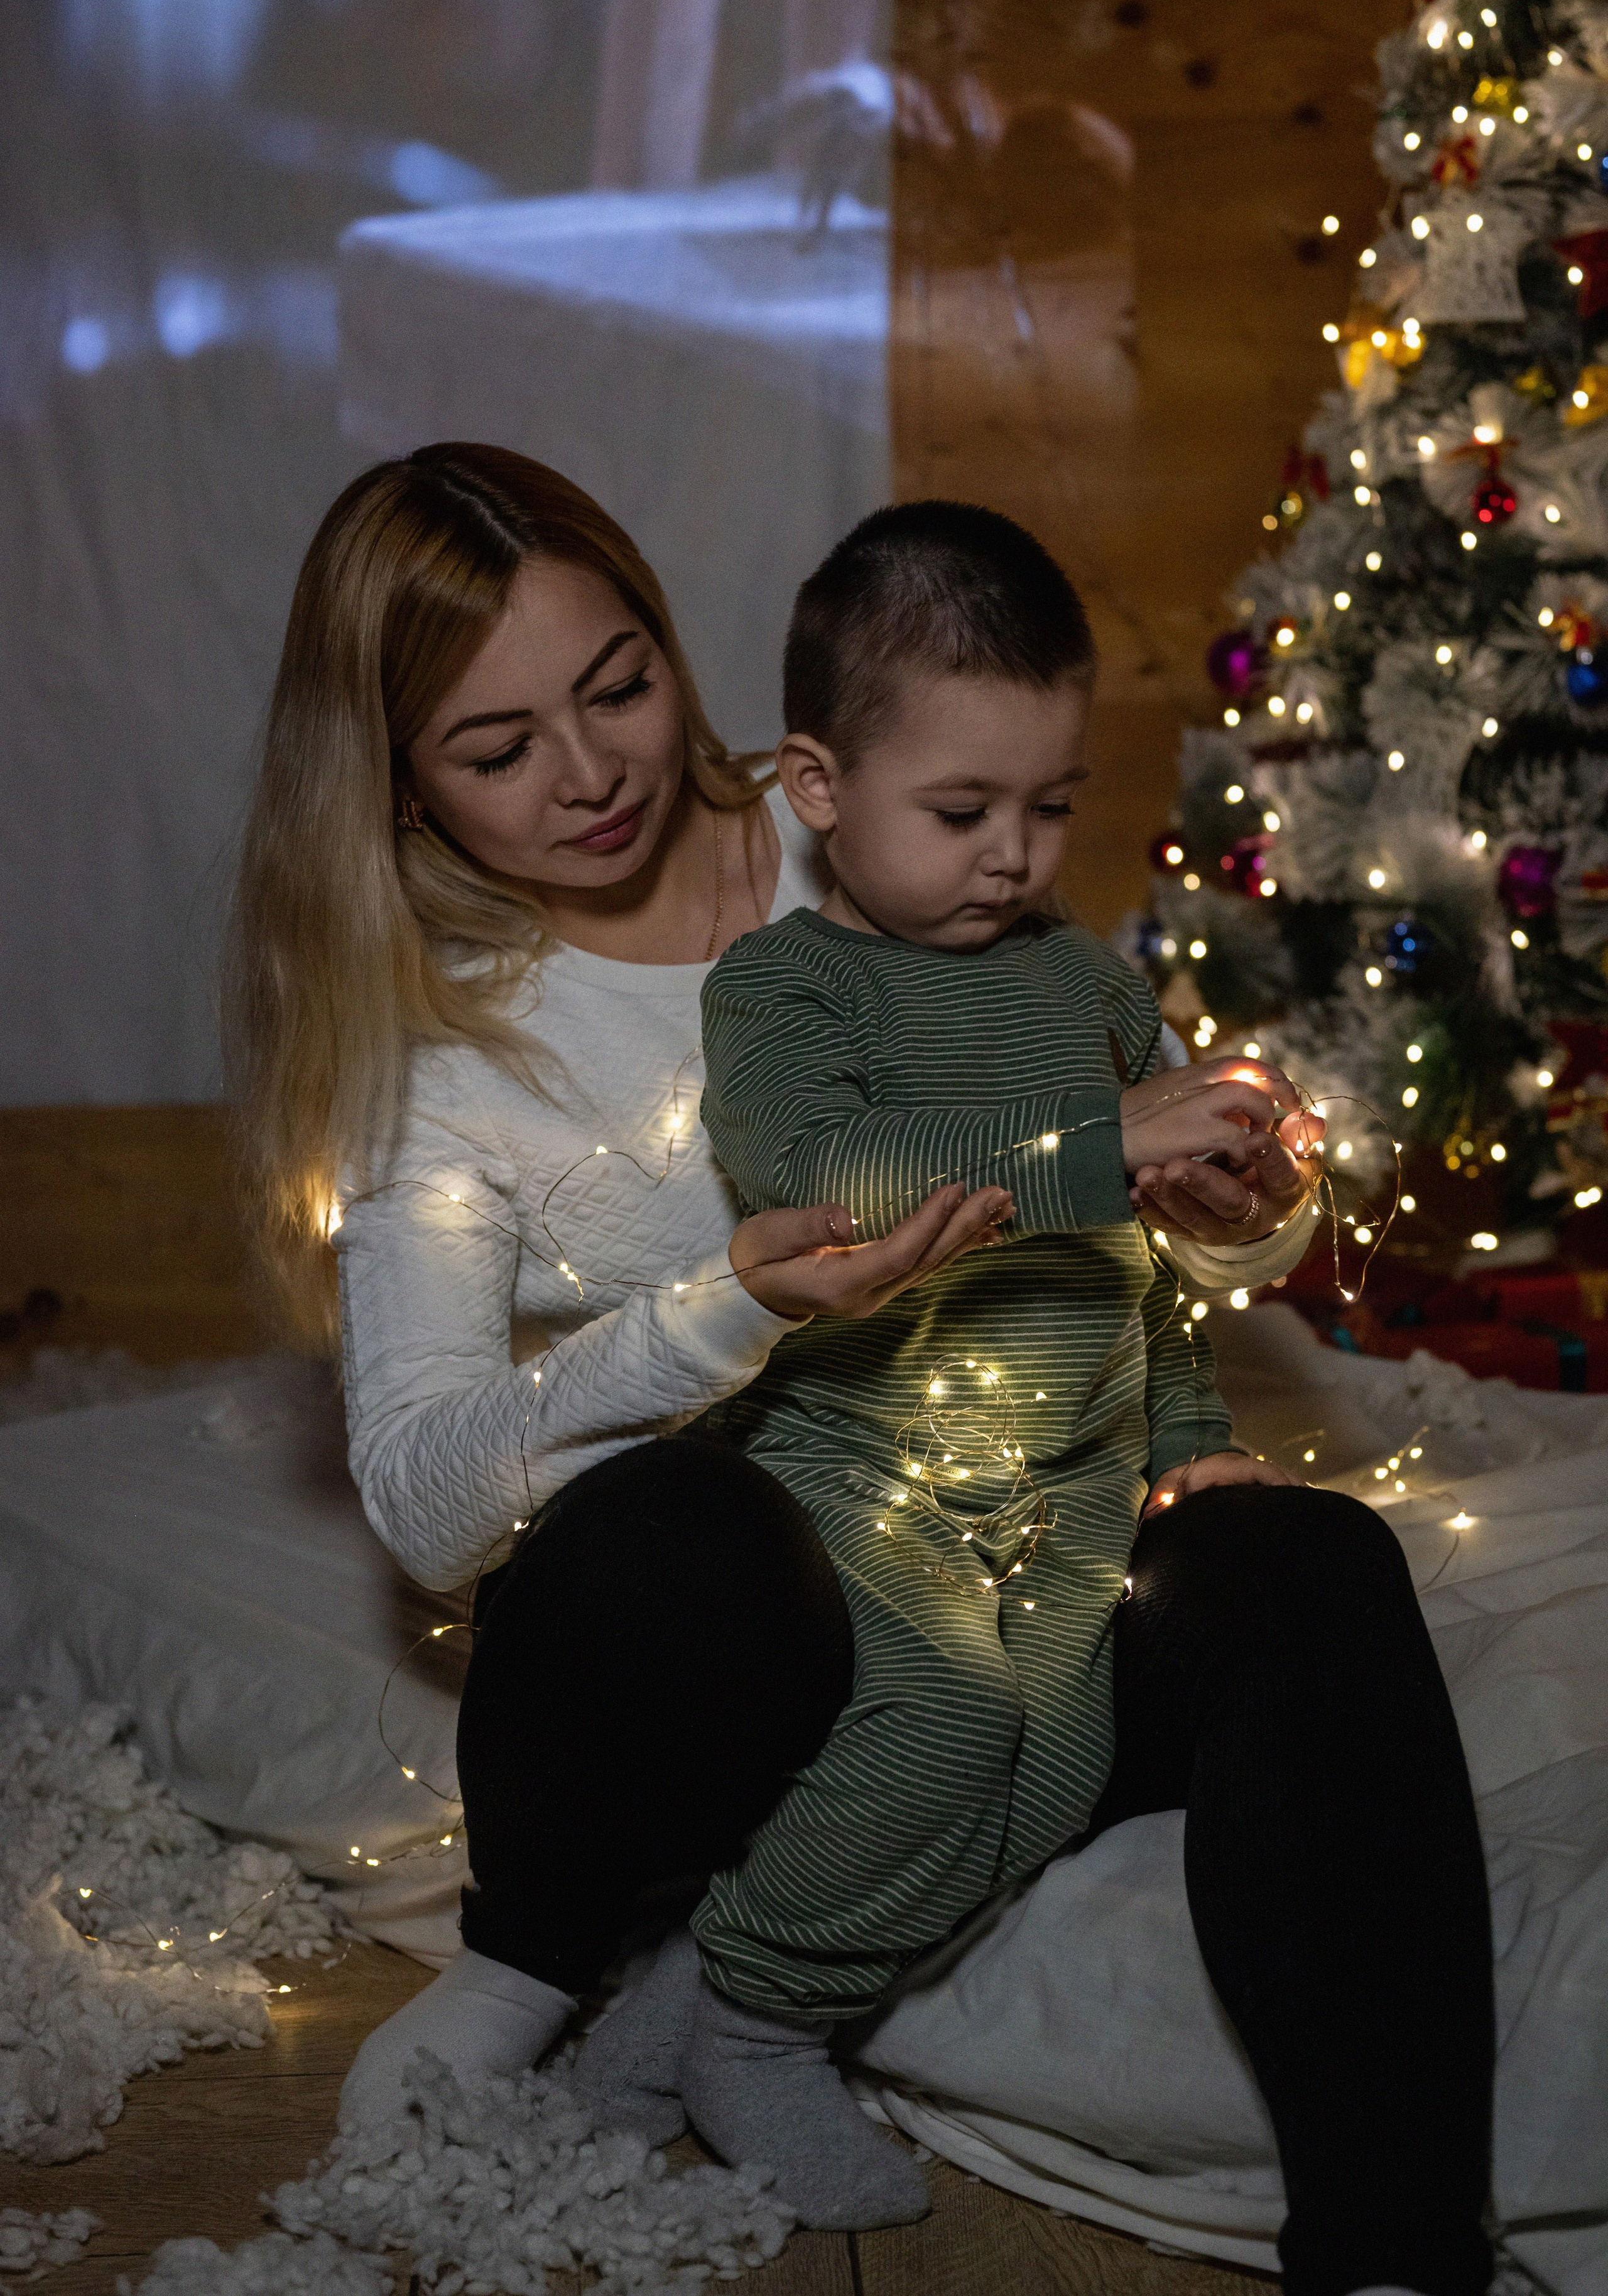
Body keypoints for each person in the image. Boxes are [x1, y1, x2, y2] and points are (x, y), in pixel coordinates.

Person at [223, 446, 1317, 2174]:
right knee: (683, 1529)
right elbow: (430, 1504)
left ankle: (1391, 2231)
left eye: (620, 685)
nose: (593, 772)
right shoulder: (444, 1053)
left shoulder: (885, 814)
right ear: (405, 789)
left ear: (675, 647)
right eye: (500, 749)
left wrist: (1248, 1206)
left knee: (1263, 1585)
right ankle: (545, 1947)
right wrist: (722, 1304)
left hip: (991, 1493)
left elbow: (1135, 1146)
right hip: (724, 1595)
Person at [578, 506, 1496, 2296]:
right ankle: (758, 2012)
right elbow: (836, 1174)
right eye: (963, 810)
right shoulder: (788, 984)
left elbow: (1135, 1257)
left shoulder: (1082, 982)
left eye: (1052, 805)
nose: (1014, 854)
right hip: (864, 1468)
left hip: (1067, 1484)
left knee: (1055, 1753)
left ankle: (717, 1969)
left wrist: (1186, 1411)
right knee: (943, 1717)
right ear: (819, 786)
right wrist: (1113, 1137)